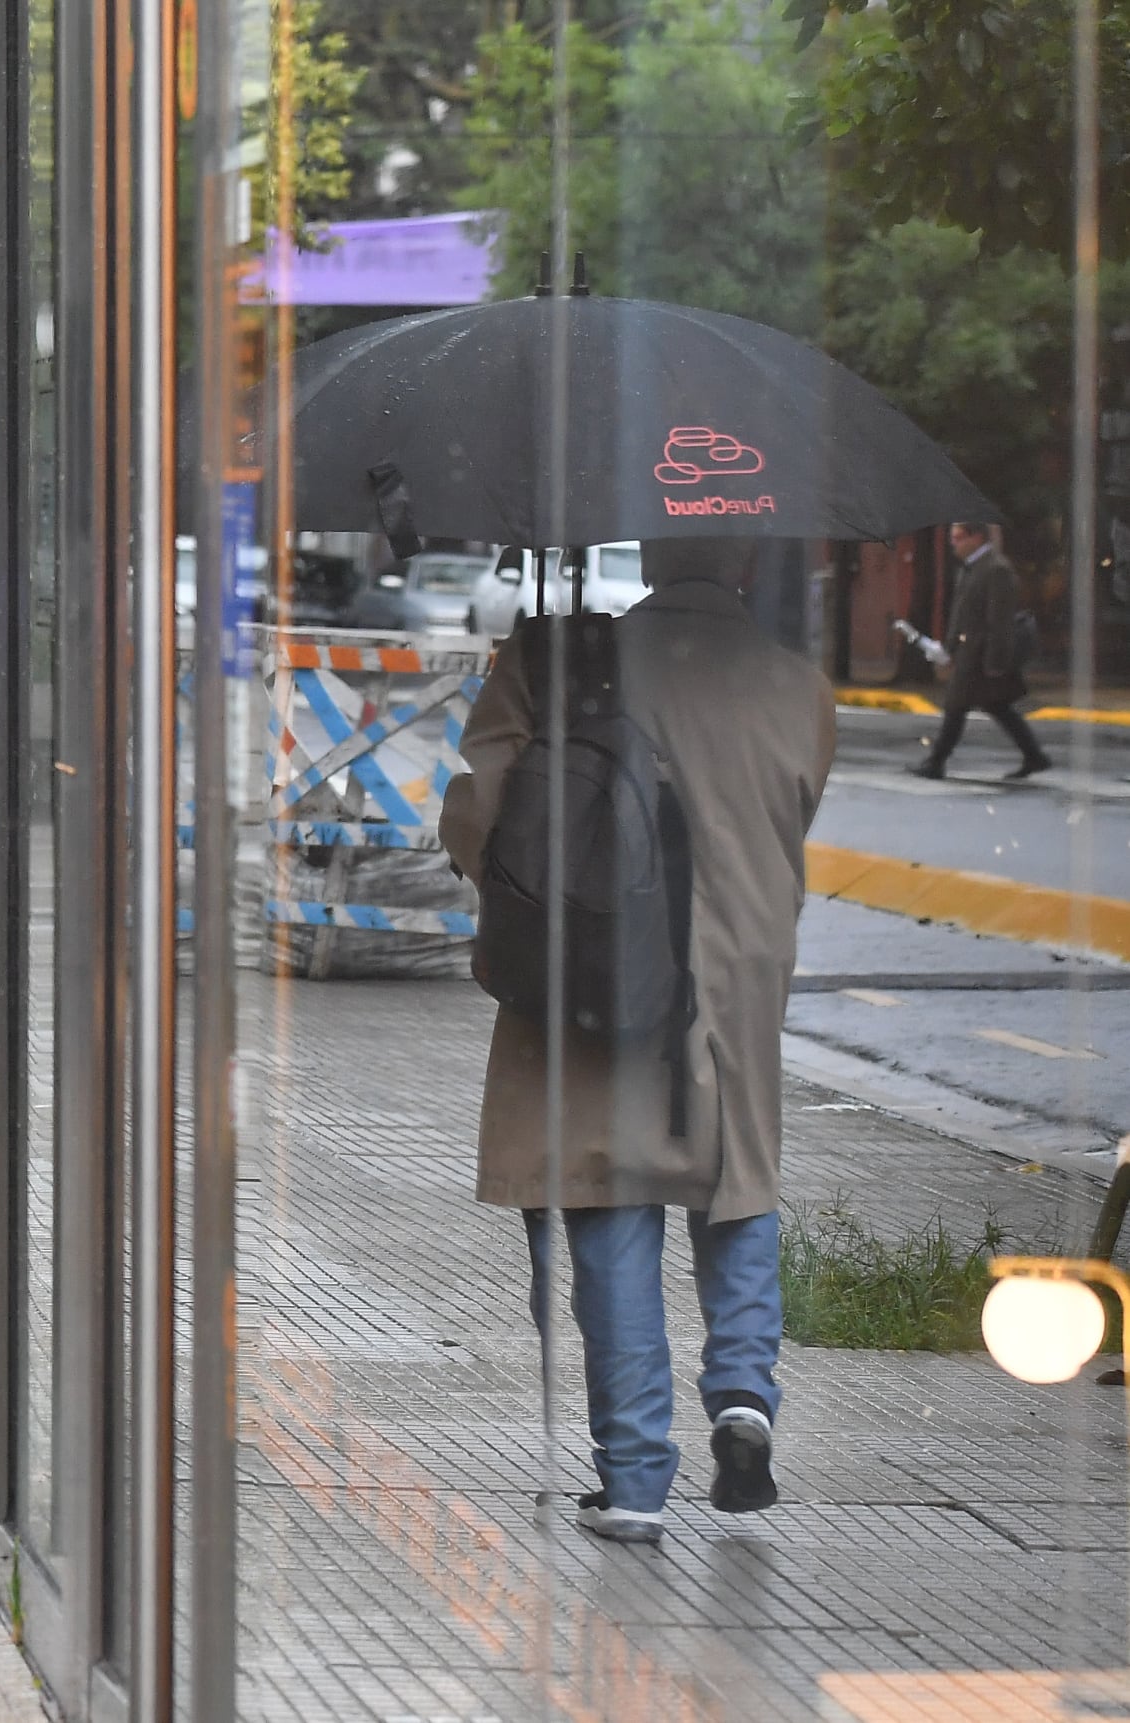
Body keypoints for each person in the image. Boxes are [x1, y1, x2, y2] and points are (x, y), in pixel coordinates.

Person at [439, 536, 836, 1545]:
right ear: (742, 564)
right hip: (737, 974)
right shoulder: (798, 684)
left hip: (603, 962)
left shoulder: (560, 658)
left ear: (650, 554)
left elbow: (478, 817)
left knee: (607, 1196)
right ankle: (743, 1393)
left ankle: (632, 1478)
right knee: (735, 1180)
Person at [910, 522, 1050, 781]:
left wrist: (996, 662)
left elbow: (1000, 621)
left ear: (976, 537)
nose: (954, 543)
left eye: (958, 537)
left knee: (955, 706)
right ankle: (1035, 756)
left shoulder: (996, 569)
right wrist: (950, 648)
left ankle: (936, 761)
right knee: (997, 706)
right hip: (969, 652)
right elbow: (962, 616)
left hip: (980, 656)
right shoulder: (972, 568)